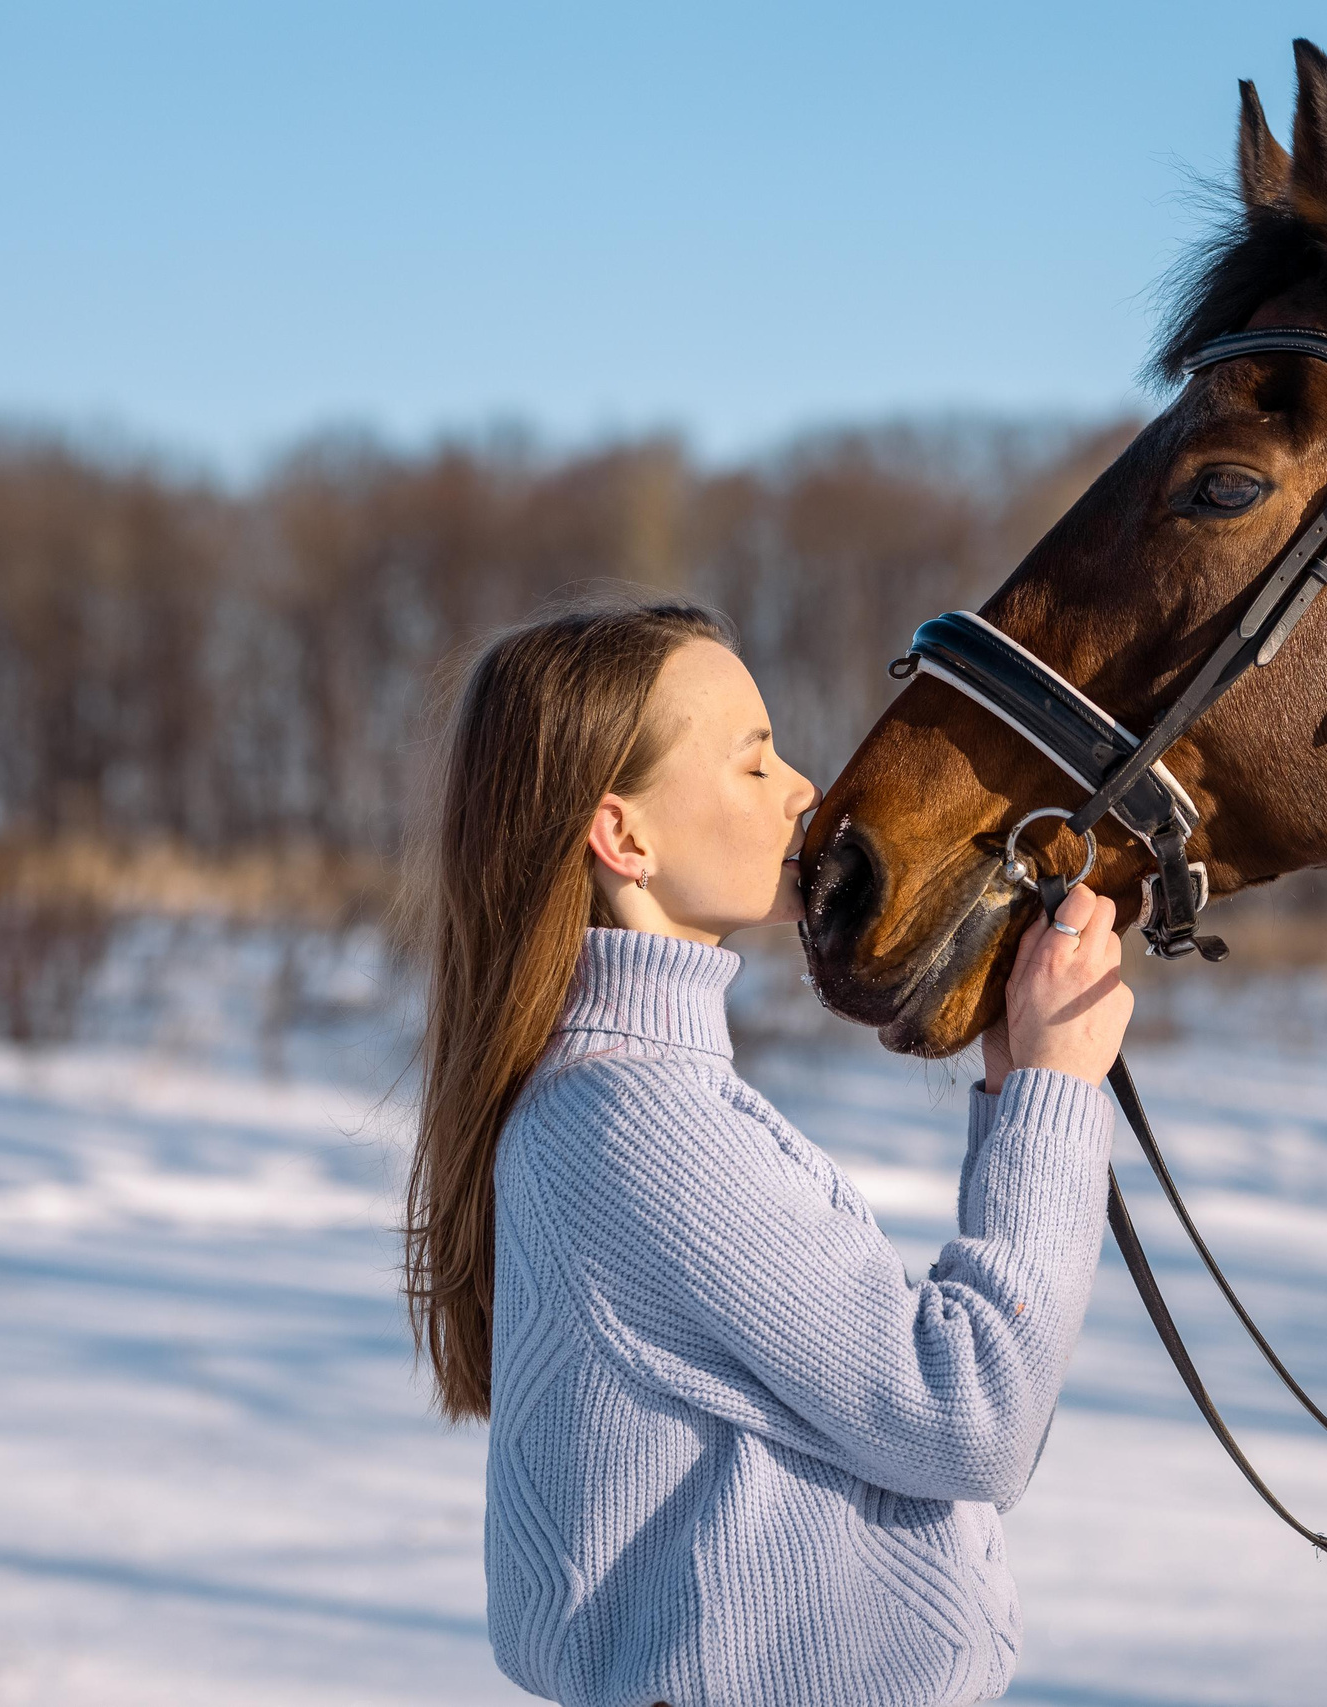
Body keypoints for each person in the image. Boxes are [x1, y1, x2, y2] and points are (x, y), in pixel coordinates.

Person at [401, 596, 1130, 1707]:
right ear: (624, 837)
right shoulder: (636, 1125)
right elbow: (966, 1415)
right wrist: (1053, 1092)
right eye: (754, 764)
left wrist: (1012, 1083)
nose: (805, 791)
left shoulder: (621, 1101)